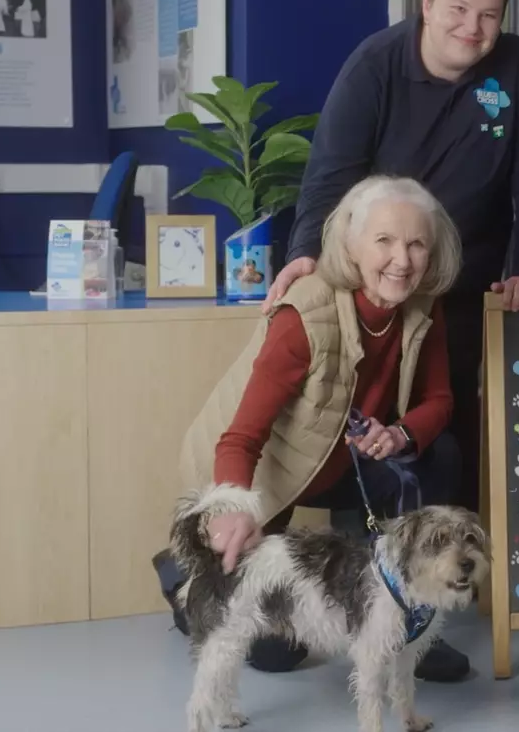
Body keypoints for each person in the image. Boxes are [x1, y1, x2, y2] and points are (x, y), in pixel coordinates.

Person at [265, 0, 519, 524]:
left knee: (448, 420)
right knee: (368, 417)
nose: (473, 28)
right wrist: (306, 254)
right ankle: (363, 557)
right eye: (458, 10)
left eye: (488, 17)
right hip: (381, 282)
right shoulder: (374, 65)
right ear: (426, 4)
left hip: (467, 278)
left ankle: (457, 562)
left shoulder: (515, 66)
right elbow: (330, 176)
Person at [155, 176, 473, 681]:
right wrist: (231, 508)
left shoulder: (422, 302)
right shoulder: (304, 314)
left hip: (344, 461)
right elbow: (240, 438)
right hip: (270, 470)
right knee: (275, 655)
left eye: (417, 244)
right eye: (384, 241)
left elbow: (439, 401)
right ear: (351, 244)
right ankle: (184, 577)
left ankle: (409, 616)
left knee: (441, 453)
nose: (403, 260)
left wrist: (399, 434)